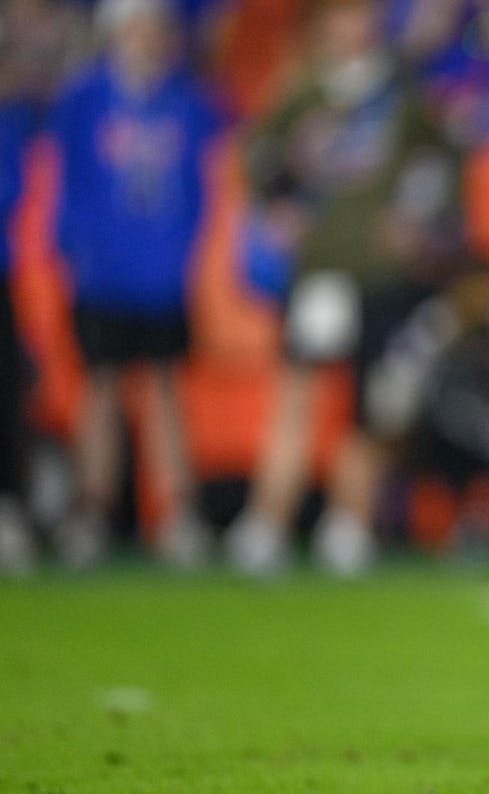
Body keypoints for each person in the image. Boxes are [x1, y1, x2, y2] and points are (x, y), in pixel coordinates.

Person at [227, 0, 460, 576]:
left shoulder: (400, 91)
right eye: (342, 16)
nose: (353, 27)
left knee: (369, 405)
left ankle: (348, 522)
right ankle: (268, 521)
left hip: (379, 274)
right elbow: (257, 155)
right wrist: (276, 207)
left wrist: (417, 220)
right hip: (321, 269)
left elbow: (445, 161)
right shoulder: (303, 92)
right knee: (298, 394)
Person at [52, 0, 220, 570]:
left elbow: (201, 188)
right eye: (136, 29)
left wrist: (184, 254)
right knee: (99, 392)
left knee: (166, 392)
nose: (146, 40)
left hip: (163, 272)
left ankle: (175, 514)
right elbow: (68, 184)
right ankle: (92, 512)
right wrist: (78, 250)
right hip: (103, 271)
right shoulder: (83, 98)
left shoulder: (186, 101)